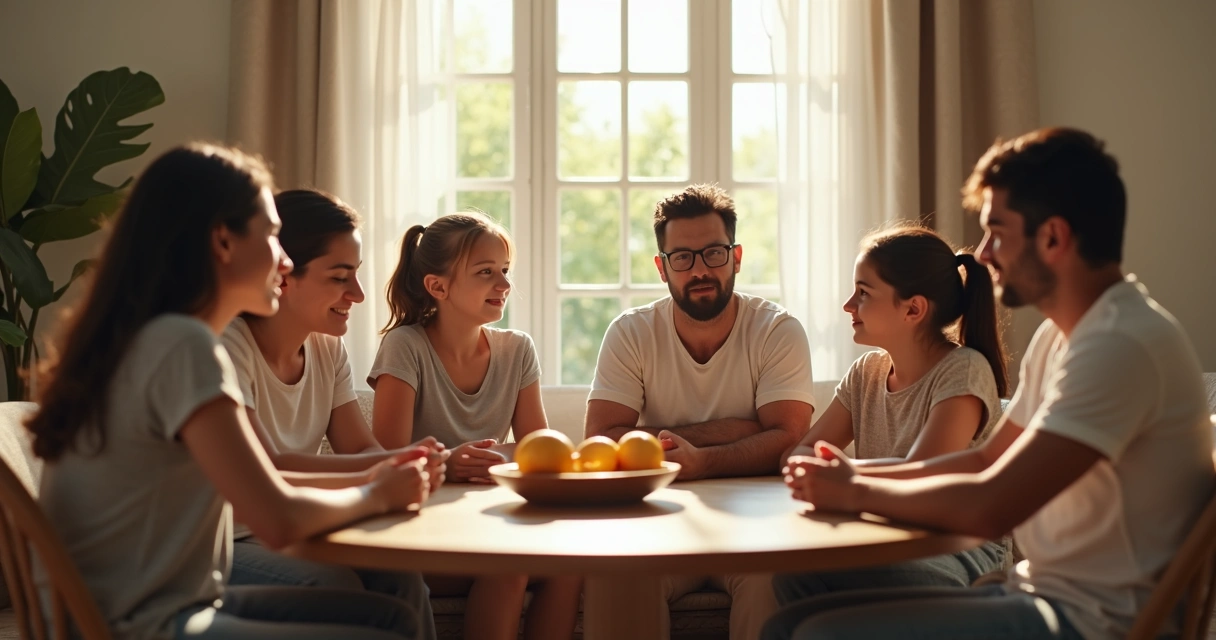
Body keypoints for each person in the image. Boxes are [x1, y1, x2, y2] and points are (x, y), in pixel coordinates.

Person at [769, 127, 1214, 640]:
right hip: (1041, 596)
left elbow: (991, 506)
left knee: (807, 633)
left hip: (1093, 624)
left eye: (997, 232)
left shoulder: (1122, 345)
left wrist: (855, 491)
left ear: (1052, 237)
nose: (982, 254)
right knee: (796, 600)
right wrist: (852, 476)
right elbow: (985, 459)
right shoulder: (1063, 336)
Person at [26, 144, 437, 639]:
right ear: (223, 242)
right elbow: (277, 518)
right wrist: (377, 492)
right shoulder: (182, 344)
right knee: (379, 632)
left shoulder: (155, 336)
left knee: (391, 615)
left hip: (167, 602)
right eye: (270, 236)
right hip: (132, 625)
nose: (284, 261)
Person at [584, 184, 817, 640]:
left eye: (713, 253)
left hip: (761, 526)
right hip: (658, 522)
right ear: (662, 266)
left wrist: (700, 459)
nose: (700, 270)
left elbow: (789, 439)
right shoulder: (631, 332)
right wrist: (745, 431)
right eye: (683, 258)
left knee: (776, 582)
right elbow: (602, 438)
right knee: (614, 576)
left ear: (736, 256)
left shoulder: (777, 330)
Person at [221, 188, 447, 611]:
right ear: (282, 274)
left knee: (403, 579)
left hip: (302, 524)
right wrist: (390, 469)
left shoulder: (327, 348)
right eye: (340, 277)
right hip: (227, 542)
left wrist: (407, 461)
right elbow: (270, 467)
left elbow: (360, 447)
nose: (359, 294)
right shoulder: (227, 346)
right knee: (337, 585)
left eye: (357, 275)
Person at [771, 224, 1010, 611]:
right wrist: (819, 472)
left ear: (913, 309)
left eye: (863, 293)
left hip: (960, 550)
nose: (849, 305)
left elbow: (923, 475)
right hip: (879, 535)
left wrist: (843, 477)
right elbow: (797, 454)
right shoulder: (866, 373)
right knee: (792, 576)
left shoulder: (963, 370)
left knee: (813, 574)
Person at [369, 212, 582, 640]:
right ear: (438, 286)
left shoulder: (518, 349)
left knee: (566, 568)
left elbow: (537, 450)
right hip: (419, 529)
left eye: (505, 271)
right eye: (486, 273)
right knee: (508, 567)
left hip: (487, 520)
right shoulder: (404, 346)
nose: (504, 285)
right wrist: (448, 461)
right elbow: (384, 458)